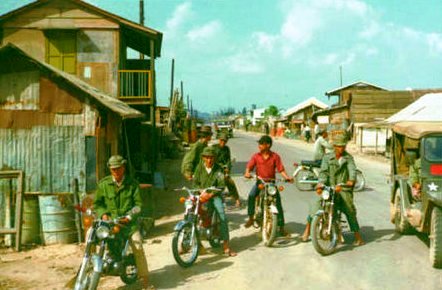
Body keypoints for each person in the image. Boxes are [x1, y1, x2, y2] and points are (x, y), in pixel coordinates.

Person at [93, 155, 149, 288]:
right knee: (93, 240)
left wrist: (129, 217)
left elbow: (138, 205)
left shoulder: (132, 184)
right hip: (110, 224)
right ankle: (93, 272)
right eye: (113, 169)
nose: (116, 172)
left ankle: (145, 281)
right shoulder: (103, 184)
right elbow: (98, 204)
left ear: (123, 168)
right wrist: (104, 215)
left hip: (129, 225)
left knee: (138, 247)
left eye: (118, 169)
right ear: (110, 170)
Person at [301, 134, 364, 246]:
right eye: (339, 146)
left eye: (343, 146)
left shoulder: (348, 158)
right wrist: (321, 183)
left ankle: (358, 237)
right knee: (316, 206)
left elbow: (352, 169)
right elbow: (324, 172)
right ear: (334, 146)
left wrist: (351, 179)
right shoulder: (327, 157)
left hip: (343, 188)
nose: (341, 149)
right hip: (329, 188)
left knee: (350, 210)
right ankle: (307, 230)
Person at [244, 135, 294, 236]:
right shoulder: (256, 156)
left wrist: (287, 177)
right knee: (251, 195)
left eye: (261, 144)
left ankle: (281, 227)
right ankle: (250, 218)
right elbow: (249, 167)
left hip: (271, 183)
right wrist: (247, 173)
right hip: (260, 183)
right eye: (259, 143)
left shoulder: (275, 156)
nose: (259, 145)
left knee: (278, 203)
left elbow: (281, 169)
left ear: (268, 145)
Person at [193, 146, 237, 257]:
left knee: (222, 216)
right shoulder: (199, 167)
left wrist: (210, 194)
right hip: (201, 195)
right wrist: (199, 193)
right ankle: (187, 244)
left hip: (215, 195)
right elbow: (195, 183)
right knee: (192, 214)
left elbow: (221, 186)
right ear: (203, 158)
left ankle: (226, 246)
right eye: (207, 157)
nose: (209, 160)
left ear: (215, 158)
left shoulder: (218, 169)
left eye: (211, 157)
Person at [213, 132, 241, 207]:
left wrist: (227, 168)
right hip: (215, 169)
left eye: (225, 141)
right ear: (219, 140)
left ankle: (237, 199)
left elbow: (228, 160)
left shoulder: (226, 149)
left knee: (230, 182)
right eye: (222, 140)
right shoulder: (213, 148)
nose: (223, 142)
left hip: (224, 170)